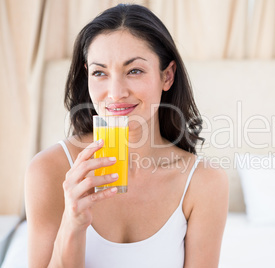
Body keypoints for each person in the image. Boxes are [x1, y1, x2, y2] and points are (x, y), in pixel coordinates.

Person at [25, 4, 228, 268]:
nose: (115, 92)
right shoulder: (49, 171)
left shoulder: (204, 183)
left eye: (134, 71)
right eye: (100, 73)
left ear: (167, 76)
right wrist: (72, 225)